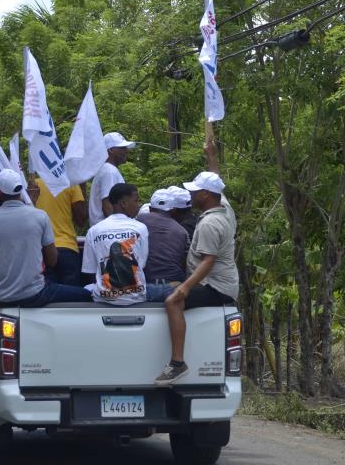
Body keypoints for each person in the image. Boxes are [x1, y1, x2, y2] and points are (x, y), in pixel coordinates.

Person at [154, 143, 239, 385]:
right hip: (224, 282)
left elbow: (208, 262)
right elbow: (217, 181)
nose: (190, 195)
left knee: (172, 301)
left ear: (205, 195)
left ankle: (177, 363)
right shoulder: (225, 207)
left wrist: (185, 288)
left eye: (194, 191)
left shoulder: (209, 224)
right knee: (172, 289)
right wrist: (211, 156)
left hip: (216, 286)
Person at [0, 169, 92, 306]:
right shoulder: (39, 216)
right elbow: (52, 261)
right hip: (35, 294)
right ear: (21, 189)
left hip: (1, 296)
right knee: (86, 294)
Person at [82, 183, 171, 305]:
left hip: (103, 298)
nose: (138, 205)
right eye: (136, 200)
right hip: (138, 297)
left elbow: (90, 270)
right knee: (175, 288)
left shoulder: (93, 231)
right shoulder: (140, 228)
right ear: (123, 203)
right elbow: (142, 264)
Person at [29, 177, 88, 286]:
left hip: (42, 250)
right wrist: (82, 186)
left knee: (47, 298)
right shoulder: (71, 183)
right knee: (71, 298)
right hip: (67, 248)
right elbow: (81, 220)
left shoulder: (33, 187)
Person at [136, 189, 189, 286]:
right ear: (174, 210)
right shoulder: (182, 231)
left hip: (143, 284)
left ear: (151, 208)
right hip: (173, 285)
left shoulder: (138, 221)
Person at [89, 132, 135, 225]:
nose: (126, 151)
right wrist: (115, 229)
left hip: (105, 229)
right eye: (122, 148)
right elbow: (107, 204)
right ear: (111, 150)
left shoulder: (107, 169)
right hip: (107, 230)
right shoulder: (109, 171)